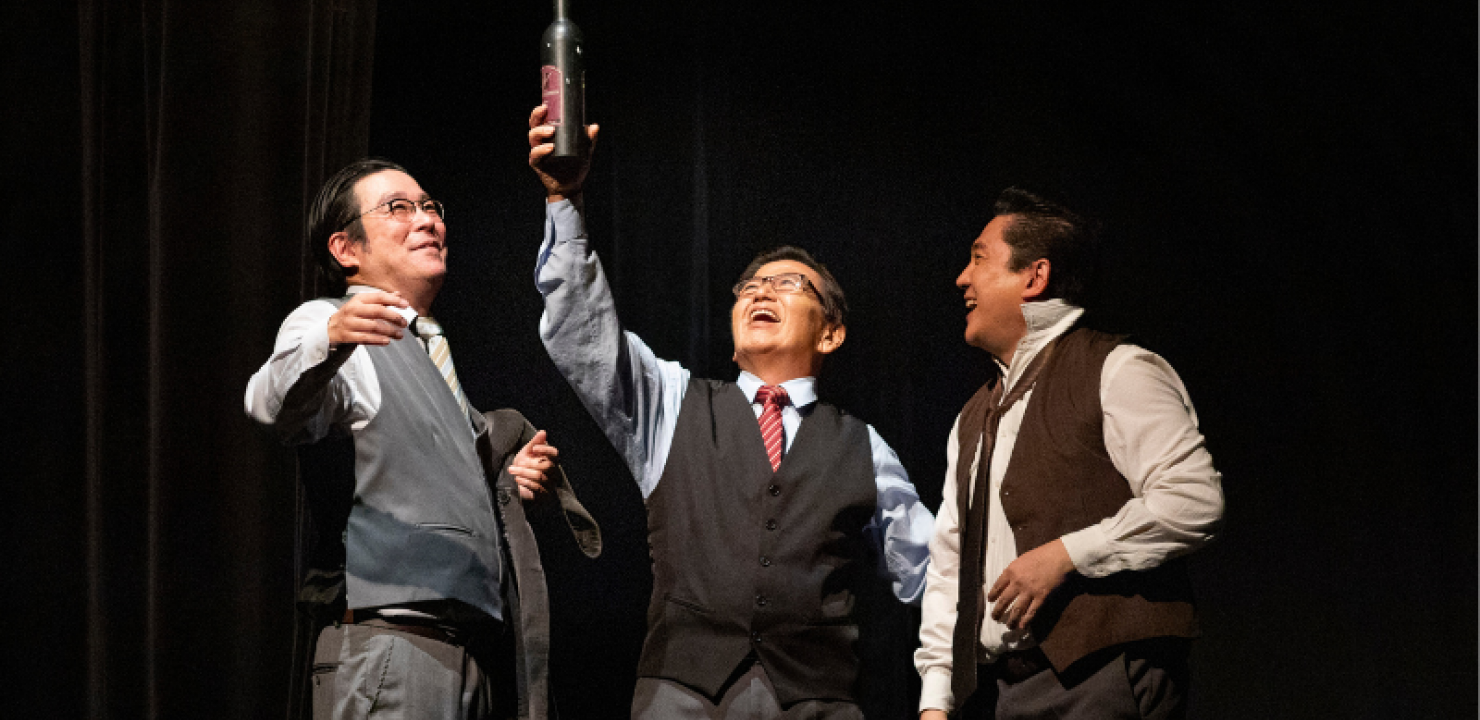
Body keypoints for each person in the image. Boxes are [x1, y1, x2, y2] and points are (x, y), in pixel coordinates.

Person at [525, 106, 935, 719]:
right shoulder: (672, 403)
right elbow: (583, 334)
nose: (763, 290)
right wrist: (565, 201)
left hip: (816, 701)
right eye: (750, 287)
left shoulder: (864, 447)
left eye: (789, 285)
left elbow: (933, 572)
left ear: (830, 333)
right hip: (682, 696)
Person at [245, 158, 600, 720]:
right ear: (345, 249)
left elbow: (426, 475)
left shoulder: (432, 356)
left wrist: (502, 485)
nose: (428, 220)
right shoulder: (329, 322)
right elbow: (270, 405)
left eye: (431, 206)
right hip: (390, 646)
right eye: (398, 208)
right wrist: (328, 340)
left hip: (467, 653)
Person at [914, 188, 1225, 719]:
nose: (962, 278)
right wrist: (935, 701)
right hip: (1001, 692)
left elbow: (1192, 500)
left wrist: (1065, 555)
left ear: (1034, 277)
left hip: (1100, 677)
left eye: (979, 259)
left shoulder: (1118, 368)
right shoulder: (972, 417)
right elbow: (950, 563)